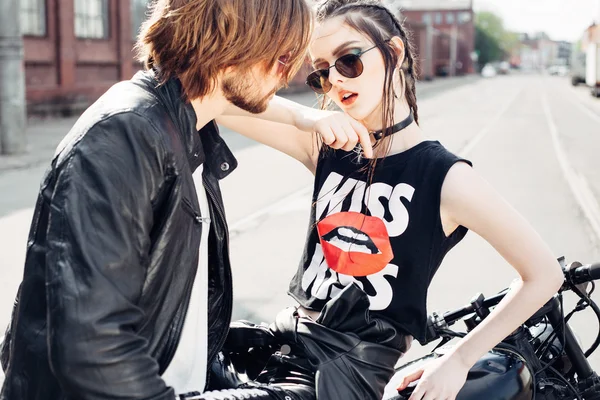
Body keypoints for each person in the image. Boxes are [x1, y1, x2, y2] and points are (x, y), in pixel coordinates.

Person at [205, 0, 565, 399]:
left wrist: (458, 359)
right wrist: (303, 117)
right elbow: (214, 97)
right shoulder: (326, 145)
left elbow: (545, 274)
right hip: (281, 344)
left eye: (348, 61)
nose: (336, 81)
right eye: (321, 73)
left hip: (341, 378)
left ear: (393, 52)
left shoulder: (444, 177)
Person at [0, 1, 317, 399]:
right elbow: (92, 350)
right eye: (283, 57)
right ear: (239, 47)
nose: (285, 76)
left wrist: (227, 348)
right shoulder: (125, 136)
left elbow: (160, 308)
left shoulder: (188, 131)